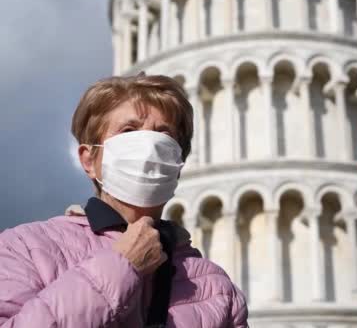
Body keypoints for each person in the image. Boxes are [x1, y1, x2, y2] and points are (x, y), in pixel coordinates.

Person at [0, 75, 248, 327]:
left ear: (177, 164)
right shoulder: (23, 248)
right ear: (89, 160)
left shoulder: (217, 288)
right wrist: (122, 266)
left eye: (164, 133)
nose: (150, 147)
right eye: (129, 130)